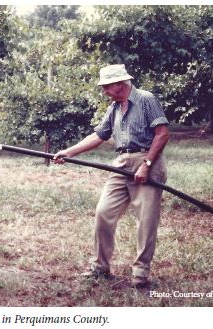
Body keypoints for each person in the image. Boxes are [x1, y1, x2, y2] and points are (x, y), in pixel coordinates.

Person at [53, 64, 169, 288]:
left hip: (146, 161)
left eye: (106, 86)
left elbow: (162, 134)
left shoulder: (146, 99)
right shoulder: (114, 108)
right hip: (121, 163)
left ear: (120, 84)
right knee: (103, 212)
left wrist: (146, 164)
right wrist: (69, 152)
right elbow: (99, 136)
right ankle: (100, 266)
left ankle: (141, 272)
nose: (104, 91)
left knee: (146, 220)